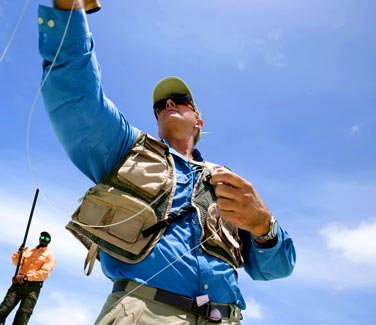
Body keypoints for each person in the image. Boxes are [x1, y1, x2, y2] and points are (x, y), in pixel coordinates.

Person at [37, 1, 296, 324]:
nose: (169, 103)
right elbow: (76, 97)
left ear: (198, 120)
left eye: (180, 101)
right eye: (161, 104)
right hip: (143, 313)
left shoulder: (229, 184)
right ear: (157, 120)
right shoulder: (125, 148)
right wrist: (69, 10)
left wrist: (264, 226)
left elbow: (277, 268)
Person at [0, 231, 56, 325]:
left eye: (47, 239)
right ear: (39, 238)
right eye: (42, 237)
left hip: (33, 287)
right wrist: (19, 252)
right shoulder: (28, 250)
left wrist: (25, 277)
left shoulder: (50, 256)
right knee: (3, 309)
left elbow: (44, 274)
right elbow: (16, 262)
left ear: (49, 241)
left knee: (23, 315)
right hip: (18, 284)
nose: (44, 239)